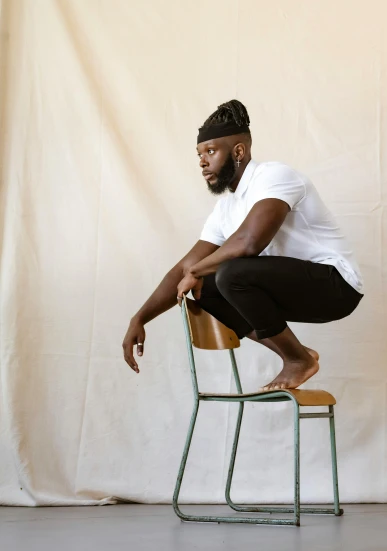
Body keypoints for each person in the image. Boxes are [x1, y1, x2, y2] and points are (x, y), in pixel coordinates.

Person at [122, 100, 363, 390]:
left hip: (336, 285)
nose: (202, 161)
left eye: (210, 151)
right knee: (207, 289)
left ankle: (297, 361)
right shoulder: (225, 209)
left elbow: (249, 242)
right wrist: (140, 318)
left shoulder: (274, 176)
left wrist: (196, 271)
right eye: (199, 154)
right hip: (293, 289)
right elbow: (184, 268)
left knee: (230, 273)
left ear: (239, 151)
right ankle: (298, 355)